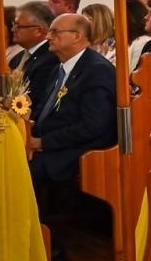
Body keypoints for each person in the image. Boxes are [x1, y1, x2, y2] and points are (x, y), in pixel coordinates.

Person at [26, 13, 118, 239]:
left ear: (76, 36)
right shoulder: (61, 67)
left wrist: (42, 142)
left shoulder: (96, 70)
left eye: (55, 32)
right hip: (57, 141)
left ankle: (45, 240)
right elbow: (46, 109)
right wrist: (27, 129)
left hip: (83, 149)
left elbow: (93, 126)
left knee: (26, 172)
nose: (49, 36)